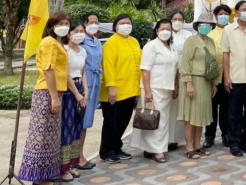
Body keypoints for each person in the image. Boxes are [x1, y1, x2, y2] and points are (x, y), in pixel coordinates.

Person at [17, 12, 70, 184]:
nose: (64, 26)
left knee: (50, 137)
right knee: (41, 137)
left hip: (55, 93)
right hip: (47, 93)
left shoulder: (57, 43)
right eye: (60, 23)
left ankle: (46, 174)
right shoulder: (49, 42)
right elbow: (48, 70)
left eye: (67, 23)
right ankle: (38, 178)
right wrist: (54, 98)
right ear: (51, 25)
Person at [131, 19, 179, 163]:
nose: (166, 31)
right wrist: (148, 91)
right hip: (154, 88)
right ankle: (157, 151)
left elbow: (176, 69)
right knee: (156, 119)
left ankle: (151, 148)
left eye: (168, 29)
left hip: (167, 88)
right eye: (162, 28)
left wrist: (176, 86)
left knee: (162, 120)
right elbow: (145, 69)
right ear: (157, 31)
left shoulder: (172, 47)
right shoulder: (151, 46)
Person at [99, 14, 142, 163]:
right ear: (115, 26)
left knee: (123, 121)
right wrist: (111, 88)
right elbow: (108, 67)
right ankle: (106, 151)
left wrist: (139, 89)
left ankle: (117, 147)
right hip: (115, 91)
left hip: (131, 90)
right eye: (122, 23)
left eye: (128, 22)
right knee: (111, 122)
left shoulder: (134, 41)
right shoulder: (111, 43)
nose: (126, 25)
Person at [179, 12, 220, 159]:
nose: (206, 27)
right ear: (197, 26)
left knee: (200, 116)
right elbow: (185, 62)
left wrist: (214, 83)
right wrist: (188, 83)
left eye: (208, 25)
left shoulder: (210, 41)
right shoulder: (191, 40)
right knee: (190, 116)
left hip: (206, 82)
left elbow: (213, 64)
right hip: (193, 81)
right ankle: (189, 147)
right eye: (203, 24)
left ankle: (197, 145)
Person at [222, 0, 246, 156]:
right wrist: (226, 76)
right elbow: (225, 55)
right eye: (243, 9)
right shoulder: (228, 30)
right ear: (236, 12)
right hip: (235, 78)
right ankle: (234, 142)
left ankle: (245, 141)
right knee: (234, 113)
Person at [60, 21, 88, 181]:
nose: (79, 34)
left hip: (80, 88)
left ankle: (72, 164)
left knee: (77, 127)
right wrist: (77, 94)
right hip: (68, 91)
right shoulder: (64, 50)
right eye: (76, 31)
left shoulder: (83, 51)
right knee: (67, 128)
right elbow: (66, 74)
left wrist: (86, 91)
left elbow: (82, 72)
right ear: (69, 34)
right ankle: (63, 168)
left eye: (81, 31)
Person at [77, 13, 102, 170]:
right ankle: (76, 157)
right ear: (85, 24)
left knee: (85, 123)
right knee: (78, 122)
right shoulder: (80, 41)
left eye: (96, 22)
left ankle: (79, 154)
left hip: (95, 84)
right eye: (91, 22)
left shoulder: (97, 41)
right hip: (82, 86)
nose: (94, 24)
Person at [204, 4, 231, 149]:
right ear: (215, 16)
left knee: (226, 108)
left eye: (226, 13)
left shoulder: (232, 31)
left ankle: (226, 134)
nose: (223, 16)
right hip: (213, 78)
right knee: (212, 108)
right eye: (220, 13)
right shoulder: (209, 34)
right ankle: (209, 136)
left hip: (229, 77)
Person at [169, 10, 192, 149]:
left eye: (180, 19)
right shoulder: (165, 34)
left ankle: (176, 139)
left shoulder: (188, 35)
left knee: (180, 108)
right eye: (174, 19)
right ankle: (165, 139)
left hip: (183, 75)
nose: (177, 21)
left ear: (184, 21)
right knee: (168, 109)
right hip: (167, 74)